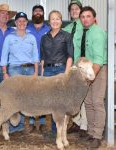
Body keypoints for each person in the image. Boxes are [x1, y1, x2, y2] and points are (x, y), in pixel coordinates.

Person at [0, 12, 39, 133]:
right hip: (15, 69)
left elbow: (35, 56)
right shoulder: (9, 38)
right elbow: (4, 56)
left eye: (24, 21)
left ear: (27, 23)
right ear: (15, 23)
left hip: (29, 69)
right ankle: (12, 125)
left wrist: (36, 72)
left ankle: (21, 124)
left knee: (28, 97)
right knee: (15, 97)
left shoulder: (31, 37)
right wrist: (5, 73)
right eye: (19, 21)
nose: (21, 23)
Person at [40, 10, 74, 134]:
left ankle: (58, 131)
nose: (55, 21)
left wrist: (66, 74)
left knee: (60, 102)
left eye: (57, 19)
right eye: (52, 19)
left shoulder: (67, 36)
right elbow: (42, 58)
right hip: (48, 71)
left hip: (61, 70)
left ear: (61, 21)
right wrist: (42, 76)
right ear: (49, 22)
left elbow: (70, 56)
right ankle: (53, 130)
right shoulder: (44, 38)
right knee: (50, 101)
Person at [79, 6, 107, 148]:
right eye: (82, 17)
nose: (85, 19)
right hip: (87, 70)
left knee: (97, 102)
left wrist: (91, 76)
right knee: (88, 102)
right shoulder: (86, 32)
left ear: (94, 18)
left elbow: (98, 59)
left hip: (98, 70)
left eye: (88, 16)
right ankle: (90, 132)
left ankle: (97, 136)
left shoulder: (98, 33)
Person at [63, 0, 88, 137]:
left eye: (77, 9)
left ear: (81, 10)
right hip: (71, 66)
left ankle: (84, 126)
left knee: (82, 96)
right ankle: (77, 122)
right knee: (72, 96)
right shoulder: (68, 28)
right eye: (72, 9)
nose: (74, 11)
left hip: (81, 66)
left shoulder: (85, 25)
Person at [27, 4, 50, 133]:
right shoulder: (26, 27)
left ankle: (41, 122)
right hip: (30, 65)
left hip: (43, 65)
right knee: (30, 93)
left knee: (42, 94)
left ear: (43, 14)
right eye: (35, 11)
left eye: (40, 11)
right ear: (32, 13)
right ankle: (31, 121)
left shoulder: (48, 28)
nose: (38, 13)